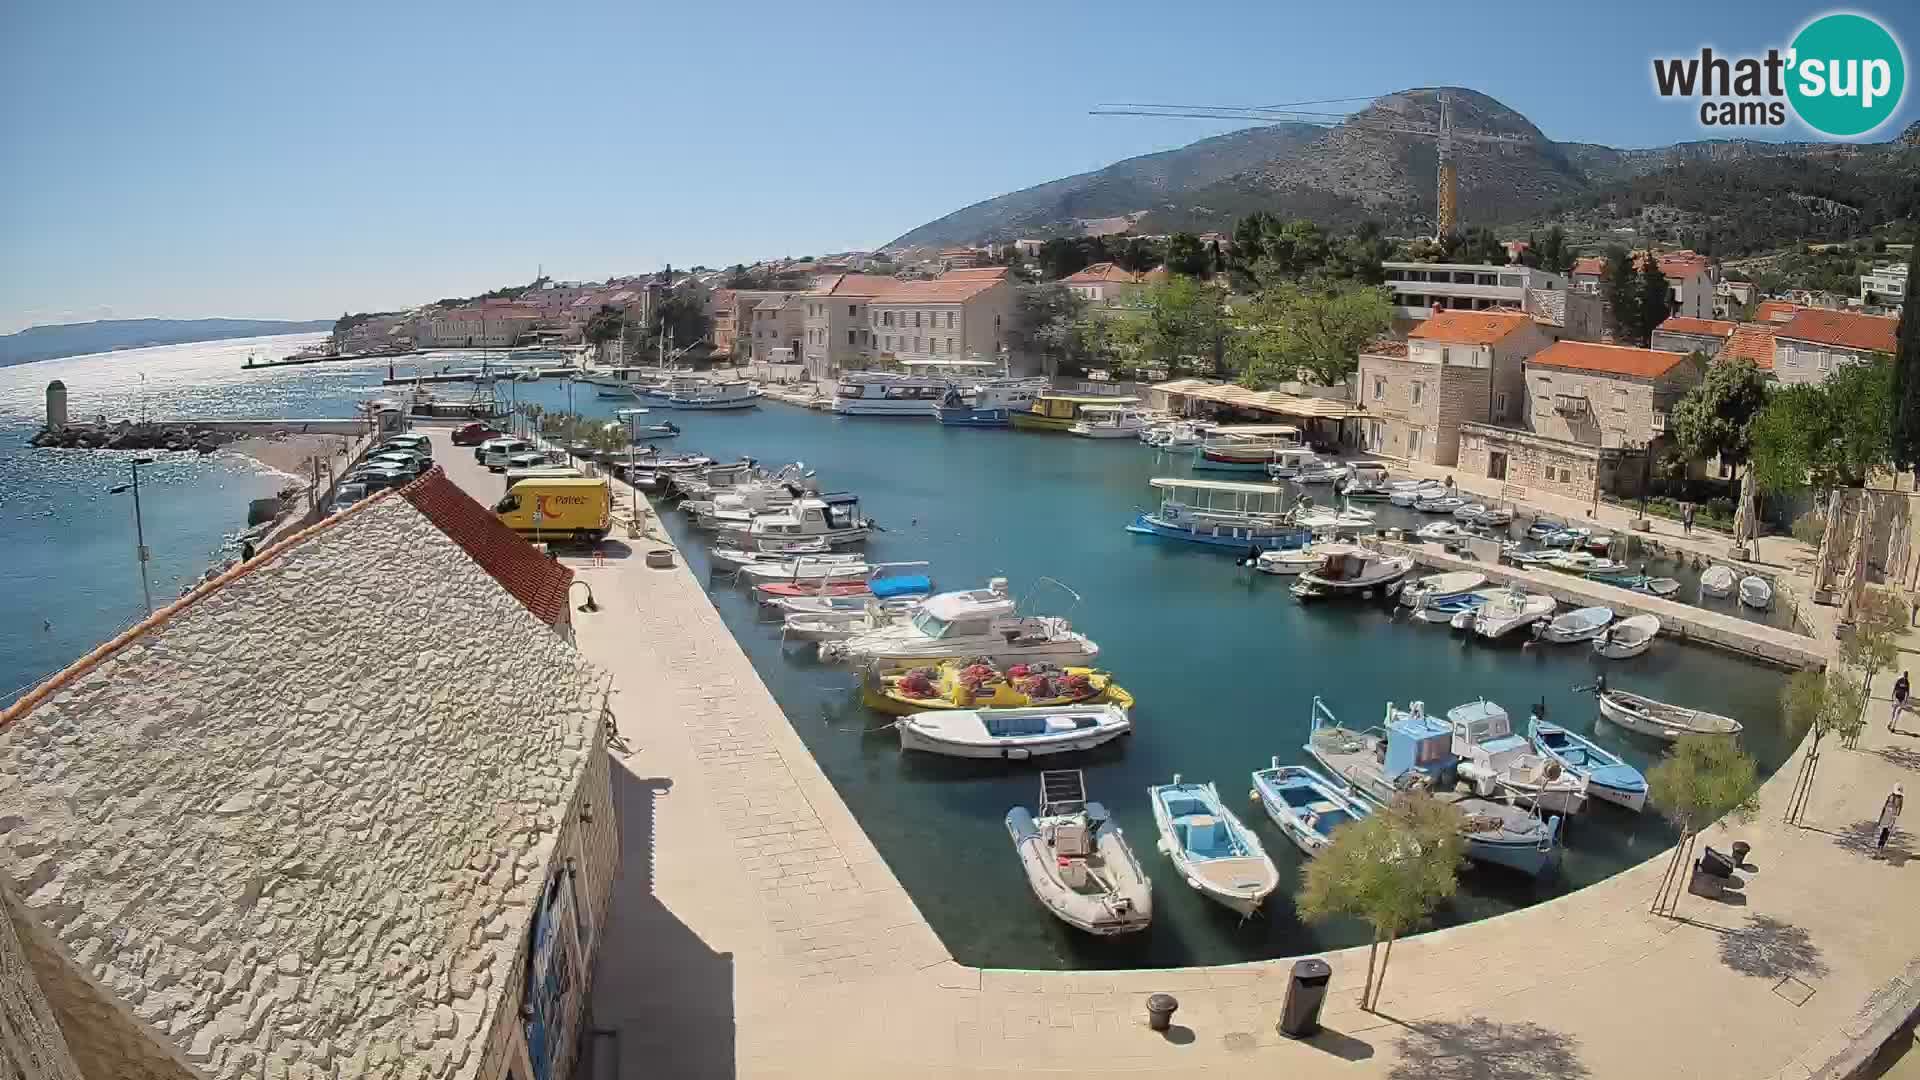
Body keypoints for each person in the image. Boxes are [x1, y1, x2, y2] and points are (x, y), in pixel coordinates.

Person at [1877, 784, 1905, 854]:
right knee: (1885, 833)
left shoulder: (1891, 796)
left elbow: (1885, 807)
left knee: (1884, 832)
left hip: (1887, 816)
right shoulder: (1899, 799)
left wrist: (1881, 818)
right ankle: (1880, 849)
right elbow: (1898, 810)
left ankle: (1879, 848)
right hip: (1890, 817)